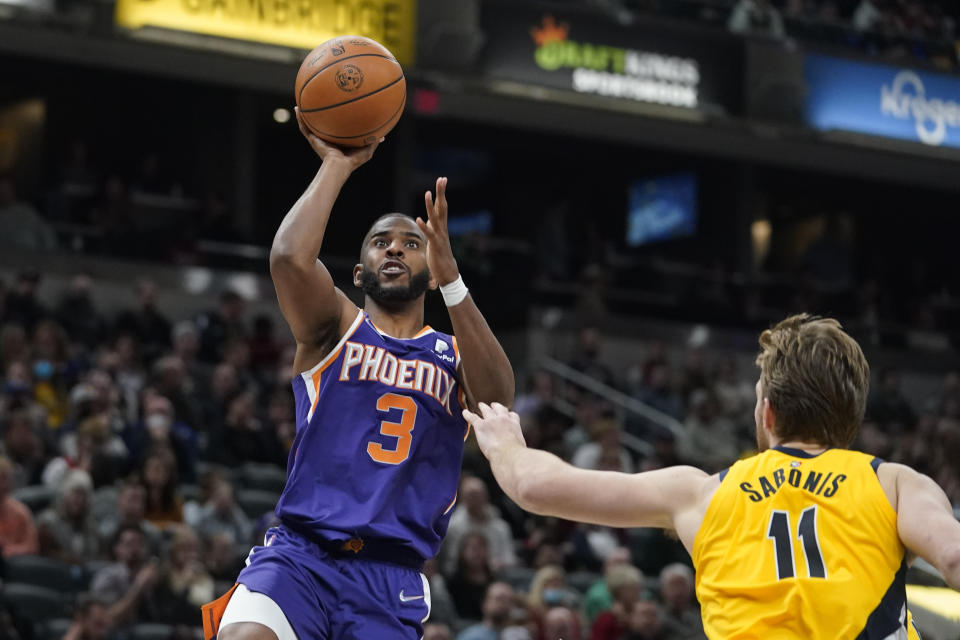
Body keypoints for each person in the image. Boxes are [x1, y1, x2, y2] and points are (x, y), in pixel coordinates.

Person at [205, 110, 514, 640]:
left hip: (389, 576)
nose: (395, 247)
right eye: (381, 242)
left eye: (411, 243)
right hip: (300, 556)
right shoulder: (334, 328)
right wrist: (337, 164)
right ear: (359, 271)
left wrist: (454, 280)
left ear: (430, 268)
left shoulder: (451, 351)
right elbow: (288, 259)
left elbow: (498, 401)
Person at [464, 315, 960, 639]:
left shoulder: (701, 492)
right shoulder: (893, 482)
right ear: (852, 419)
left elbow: (535, 487)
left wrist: (505, 441)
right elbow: (955, 556)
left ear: (767, 414)